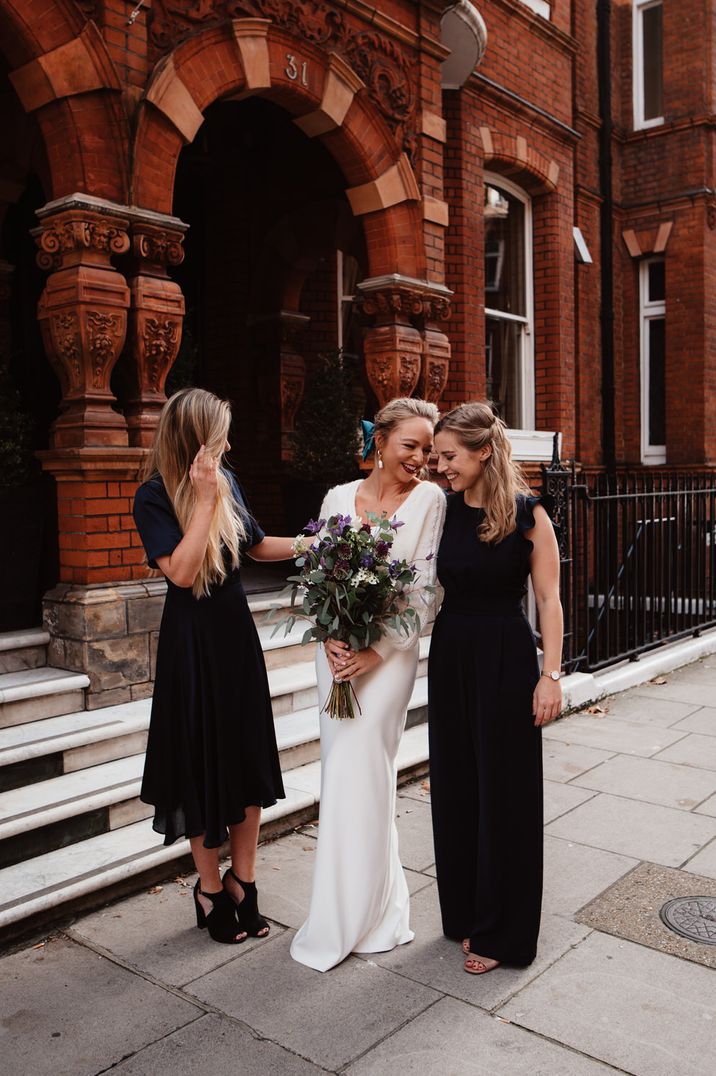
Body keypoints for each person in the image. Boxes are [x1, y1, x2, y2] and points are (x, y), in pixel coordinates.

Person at [133, 388, 295, 945]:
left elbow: (254, 545)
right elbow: (180, 571)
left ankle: (243, 882)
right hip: (192, 650)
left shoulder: (227, 483)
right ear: (197, 439)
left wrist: (322, 543)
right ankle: (207, 888)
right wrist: (203, 500)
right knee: (203, 767)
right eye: (220, 433)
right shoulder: (153, 497)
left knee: (246, 761)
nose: (228, 443)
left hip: (235, 642)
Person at [290, 397, 446, 972]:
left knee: (369, 771)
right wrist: (330, 636)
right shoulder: (336, 498)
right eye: (410, 446)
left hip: (389, 659)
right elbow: (319, 578)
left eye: (428, 449)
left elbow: (425, 593)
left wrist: (375, 652)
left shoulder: (431, 500)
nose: (421, 458)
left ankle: (369, 914)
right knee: (341, 772)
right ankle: (353, 912)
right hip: (334, 657)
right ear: (378, 443)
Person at [429, 401, 563, 975]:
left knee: (504, 794)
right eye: (437, 456)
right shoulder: (445, 510)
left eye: (450, 456)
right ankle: (464, 912)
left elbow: (551, 600)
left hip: (506, 657)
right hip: (452, 653)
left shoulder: (530, 514)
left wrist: (550, 675)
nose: (441, 467)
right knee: (457, 788)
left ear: (484, 451)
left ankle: (503, 932)